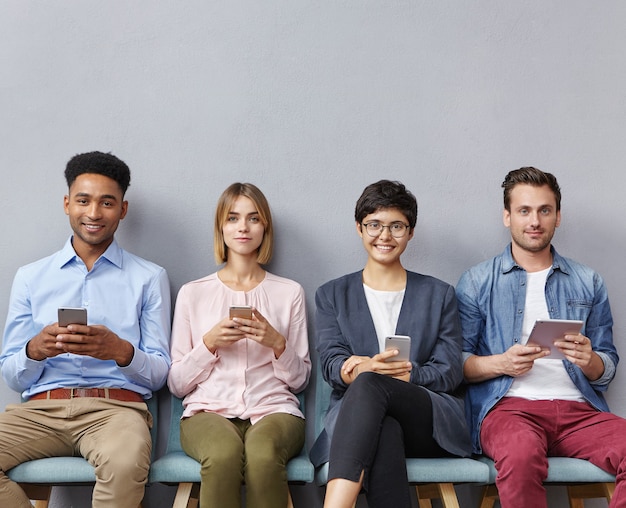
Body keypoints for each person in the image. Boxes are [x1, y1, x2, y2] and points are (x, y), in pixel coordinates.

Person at [0, 151, 171, 508]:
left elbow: (159, 374)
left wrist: (119, 351)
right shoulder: (31, 277)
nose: (94, 213)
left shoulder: (149, 278)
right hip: (40, 411)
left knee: (125, 465)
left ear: (122, 209)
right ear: (67, 204)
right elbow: (12, 374)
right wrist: (35, 350)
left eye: (106, 203)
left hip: (116, 411)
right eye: (83, 200)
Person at [456, 166, 626, 508]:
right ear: (507, 216)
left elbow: (607, 366)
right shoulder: (477, 281)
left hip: (580, 412)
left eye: (544, 210)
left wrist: (590, 361)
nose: (535, 220)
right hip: (508, 410)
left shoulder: (587, 280)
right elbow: (455, 365)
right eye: (524, 210)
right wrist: (501, 363)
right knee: (519, 456)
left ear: (557, 216)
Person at [310, 180, 471, 508]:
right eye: (374, 225)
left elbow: (451, 370)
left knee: (372, 383)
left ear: (410, 232)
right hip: (360, 420)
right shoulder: (332, 295)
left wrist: (405, 376)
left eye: (396, 226)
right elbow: (330, 363)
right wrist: (360, 368)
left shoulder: (439, 295)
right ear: (359, 228)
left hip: (428, 420)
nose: (385, 236)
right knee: (384, 429)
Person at [167, 182, 311, 508]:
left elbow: (301, 380)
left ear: (265, 228)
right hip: (207, 412)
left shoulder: (289, 293)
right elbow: (176, 384)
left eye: (253, 218)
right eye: (233, 218)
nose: (243, 227)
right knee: (222, 454)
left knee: (262, 455)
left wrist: (276, 344)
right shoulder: (193, 293)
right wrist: (209, 344)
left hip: (275, 410)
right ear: (221, 226)